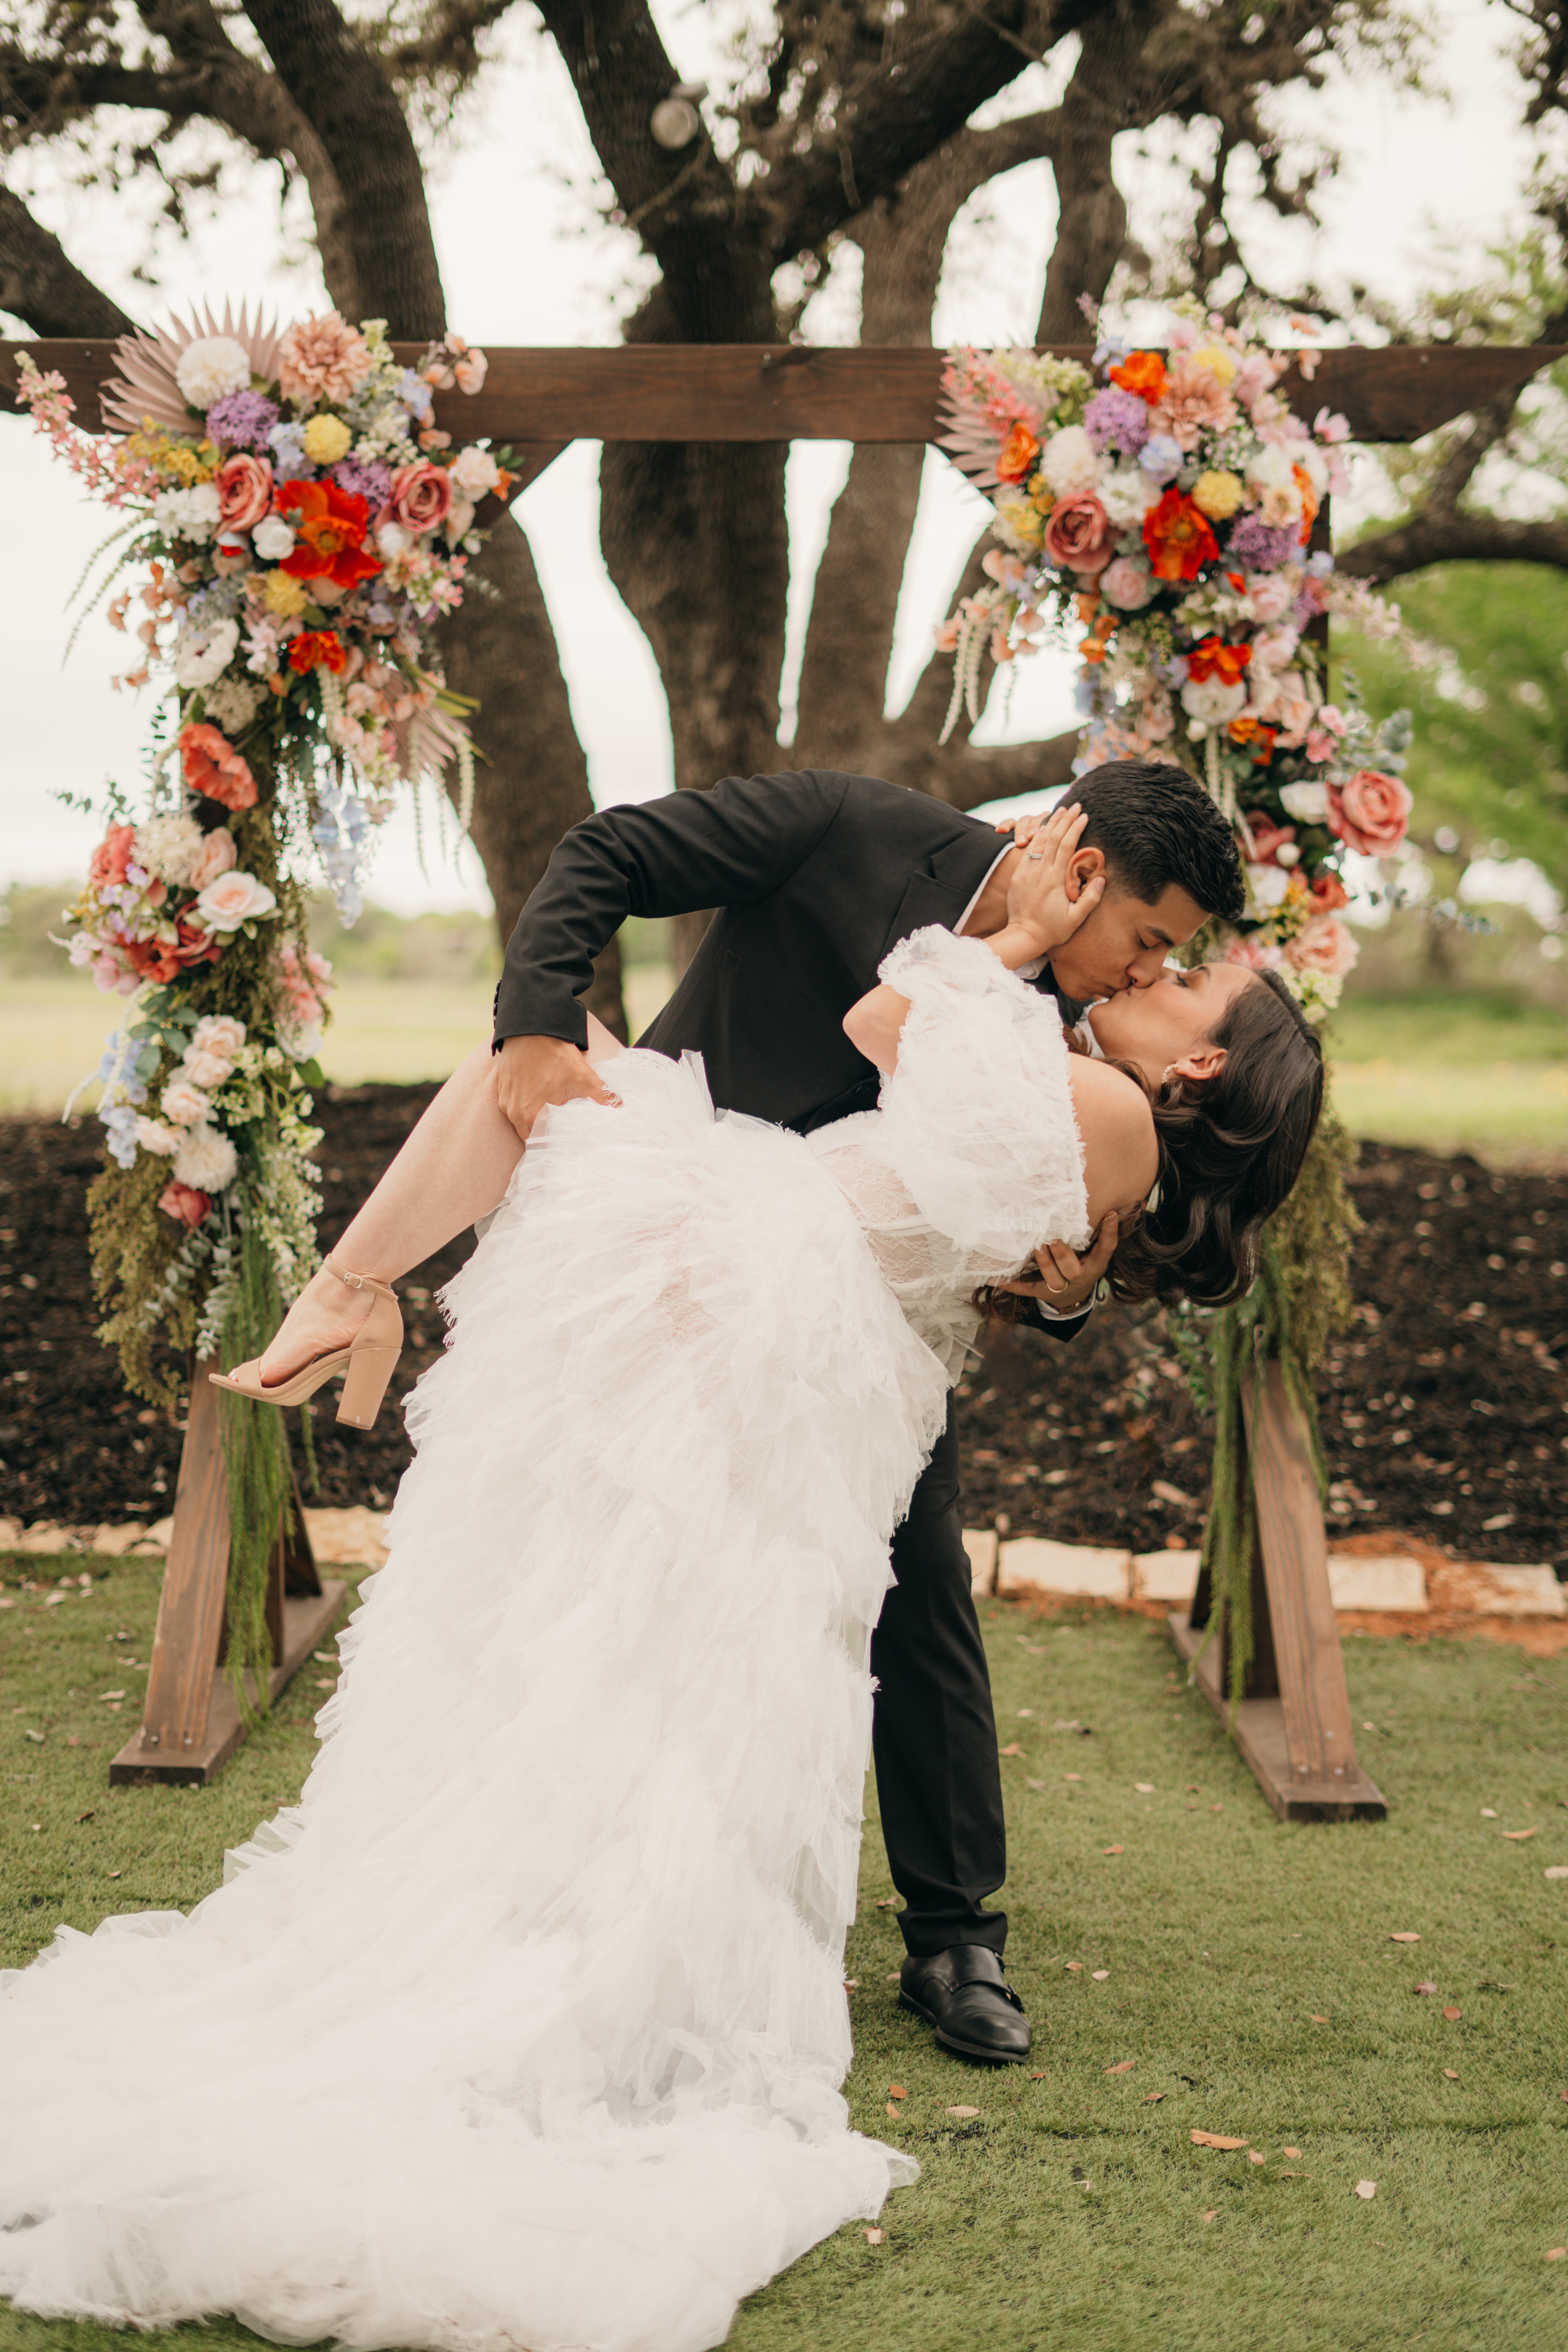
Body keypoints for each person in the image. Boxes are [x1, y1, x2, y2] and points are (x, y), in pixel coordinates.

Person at [1, 808, 1323, 2352]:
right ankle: (353, 1296)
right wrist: (1028, 977)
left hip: (784, 1292)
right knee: (561, 1110)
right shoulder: (976, 949)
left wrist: (1026, 941)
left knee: (715, 1580)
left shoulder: (1104, 1090)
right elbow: (931, 1104)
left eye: (1176, 975)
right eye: (1155, 945)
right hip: (784, 1282)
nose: (1151, 971)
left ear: (1205, 1068)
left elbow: (891, 1025)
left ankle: (351, 1294)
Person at [233, 757, 1252, 2070]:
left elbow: (1021, 1206)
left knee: (922, 1587)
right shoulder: (851, 825)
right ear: (1091, 873)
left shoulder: (1075, 1016)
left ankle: (955, 1938)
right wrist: (540, 1018)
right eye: (1148, 943)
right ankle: (564, 1882)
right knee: (605, 1580)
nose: (1136, 973)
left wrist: (1065, 1295)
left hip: (859, 1326)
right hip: (677, 1239)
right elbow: (608, 853)